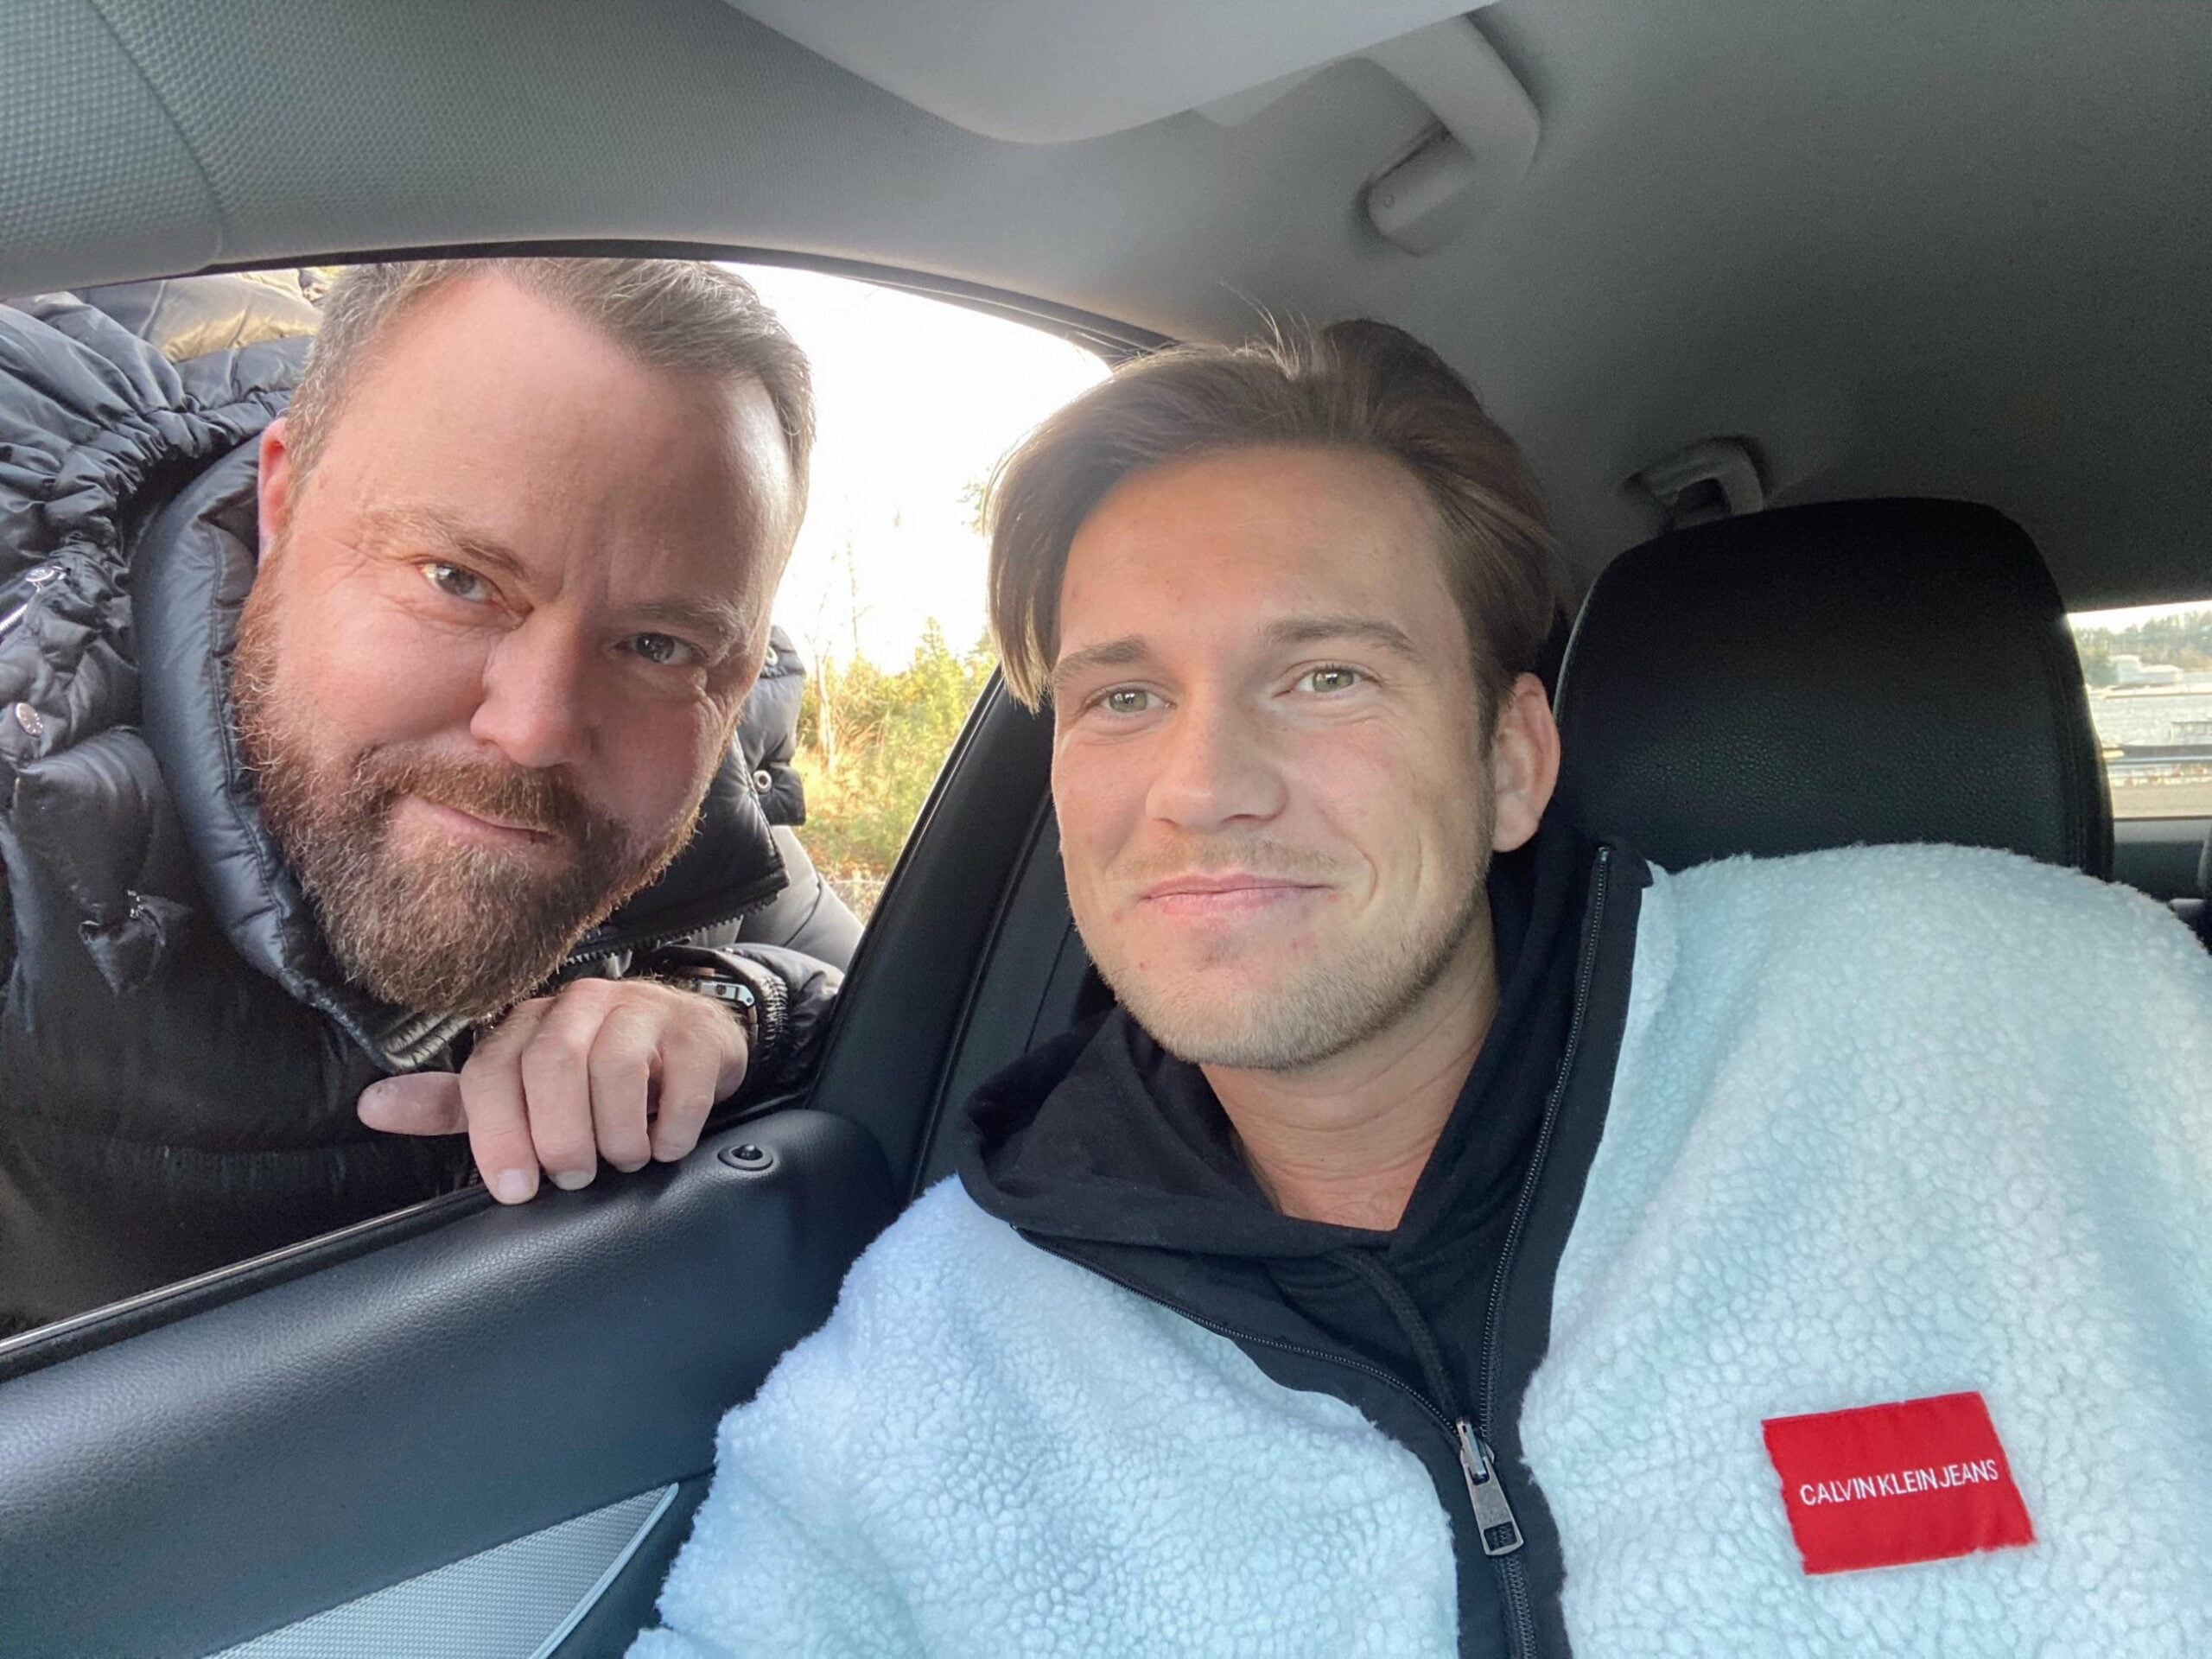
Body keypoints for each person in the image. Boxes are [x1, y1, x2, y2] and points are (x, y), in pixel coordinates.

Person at [631, 321, 2212, 1657]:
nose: (1201, 788)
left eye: (1323, 676)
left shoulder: (2053, 1031)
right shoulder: (939, 1353)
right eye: (1125, 694)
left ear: (1512, 760)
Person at [0, 258, 847, 1334]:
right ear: (283, 504)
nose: (535, 728)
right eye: (458, 579)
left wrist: (731, 1011)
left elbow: (912, 1026)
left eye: (655, 642)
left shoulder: (706, 822)